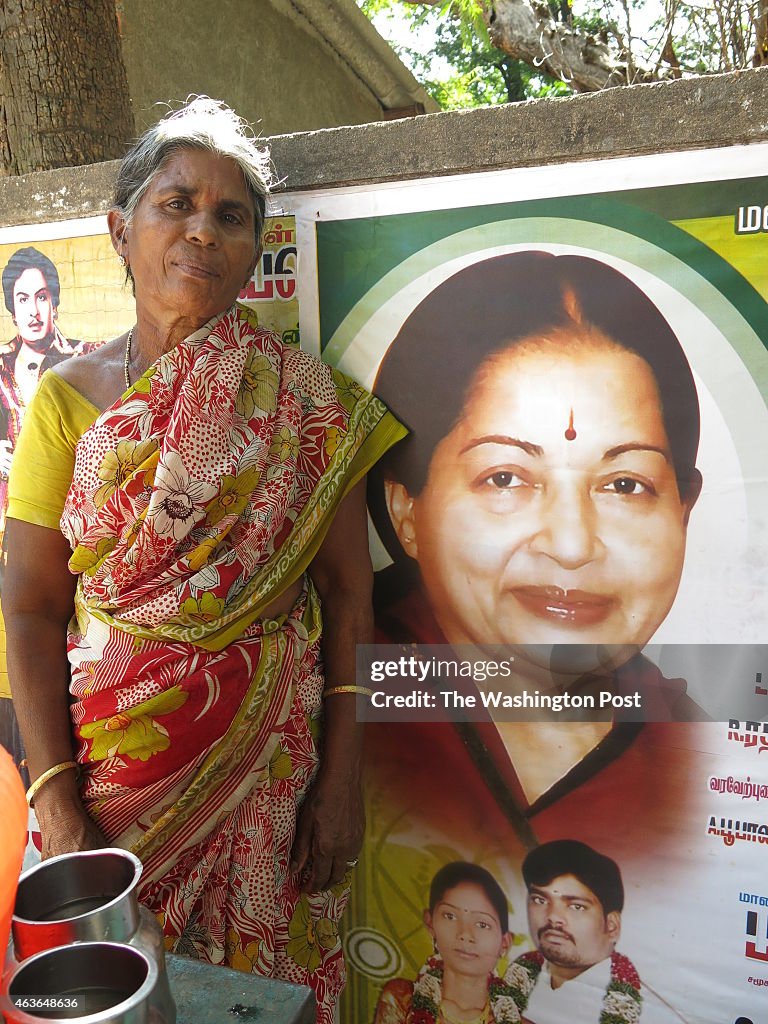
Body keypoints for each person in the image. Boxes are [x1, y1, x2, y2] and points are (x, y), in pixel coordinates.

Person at [2, 97, 404, 1024]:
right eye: (175, 203)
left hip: (276, 772)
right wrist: (56, 797)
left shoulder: (305, 404)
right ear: (120, 228)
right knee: (119, 992)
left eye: (231, 217)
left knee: (265, 997)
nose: (201, 231)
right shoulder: (65, 405)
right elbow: (27, 608)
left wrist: (341, 782)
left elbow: (349, 603)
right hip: (113, 774)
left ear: (255, 249)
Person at [508, 840, 639, 1024]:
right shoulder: (516, 977)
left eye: (576, 906)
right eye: (539, 900)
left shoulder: (635, 1006)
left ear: (612, 925)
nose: (553, 917)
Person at [373, 861, 513, 1024]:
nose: (465, 934)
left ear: (504, 943)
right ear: (430, 922)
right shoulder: (402, 999)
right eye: (450, 916)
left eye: (482, 924)